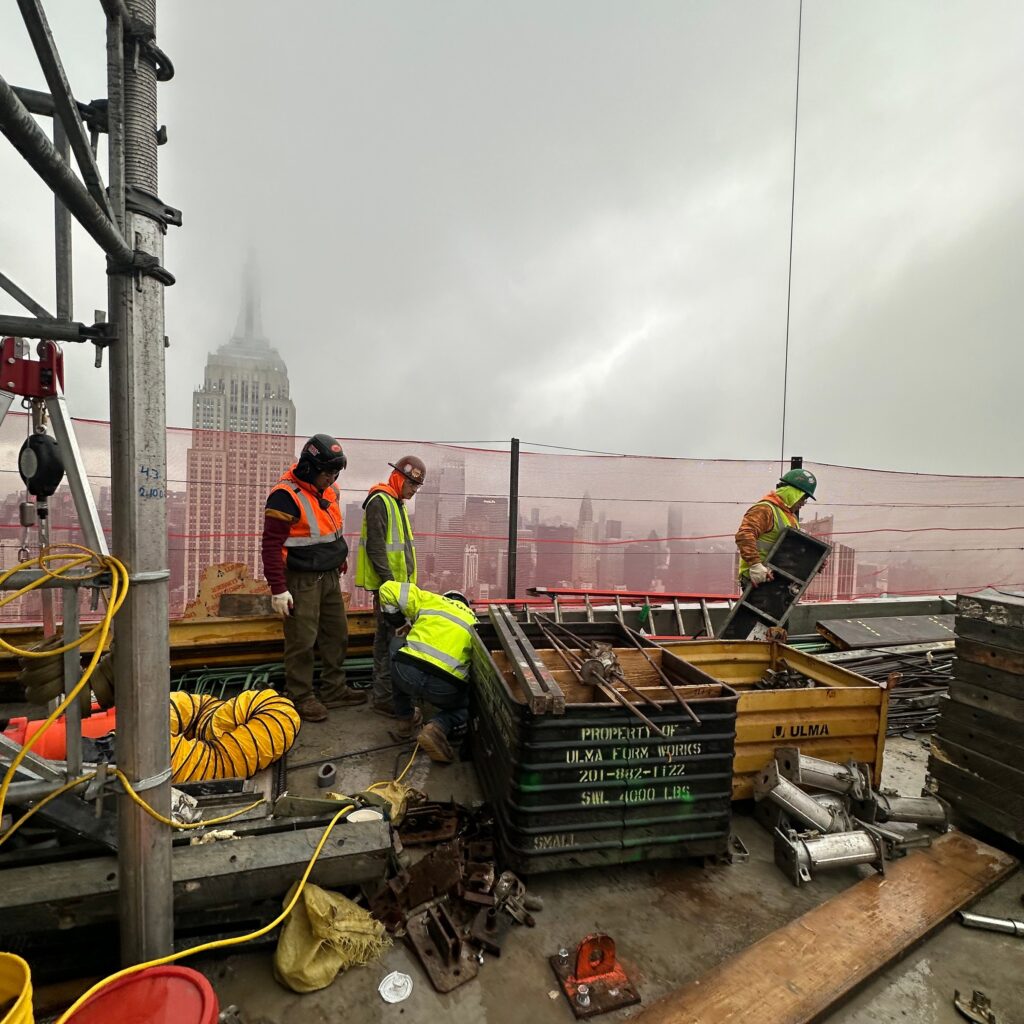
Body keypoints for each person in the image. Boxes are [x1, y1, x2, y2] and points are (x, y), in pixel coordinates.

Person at [261, 434, 366, 722]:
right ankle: (301, 694)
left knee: (337, 634)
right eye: (327, 473)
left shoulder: (329, 490)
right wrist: (278, 589)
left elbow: (330, 528)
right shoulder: (284, 496)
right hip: (301, 580)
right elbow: (270, 545)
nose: (331, 479)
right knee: (302, 640)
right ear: (309, 467)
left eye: (335, 473)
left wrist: (338, 556)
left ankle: (334, 688)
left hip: (329, 575)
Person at [355, 455, 426, 716]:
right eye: (412, 485)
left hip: (397, 589)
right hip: (389, 590)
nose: (413, 491)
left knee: (385, 639)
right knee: (389, 642)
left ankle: (383, 694)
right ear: (399, 477)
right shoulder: (380, 501)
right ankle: (384, 698)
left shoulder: (396, 503)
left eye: (417, 487)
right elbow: (376, 548)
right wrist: (390, 588)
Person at [378, 581, 477, 764]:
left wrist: (400, 624)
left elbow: (386, 589)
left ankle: (404, 721)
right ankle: (437, 727)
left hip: (407, 673)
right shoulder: (473, 621)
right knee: (465, 708)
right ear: (465, 605)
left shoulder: (430, 600)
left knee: (398, 648)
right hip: (443, 688)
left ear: (445, 597)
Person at [734, 467, 818, 588]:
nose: (803, 503)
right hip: (760, 579)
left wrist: (814, 561)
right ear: (792, 493)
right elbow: (744, 535)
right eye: (803, 498)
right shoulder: (765, 509)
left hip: (778, 580)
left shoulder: (790, 517)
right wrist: (755, 565)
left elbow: (792, 548)